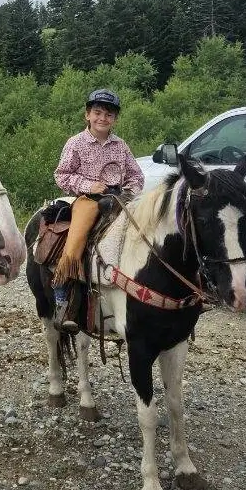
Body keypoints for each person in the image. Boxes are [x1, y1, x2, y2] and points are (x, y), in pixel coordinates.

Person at [52, 89, 144, 333]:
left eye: (109, 114)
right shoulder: (76, 143)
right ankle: (64, 300)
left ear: (115, 119)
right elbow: (62, 175)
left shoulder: (120, 145)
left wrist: (130, 190)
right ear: (88, 115)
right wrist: (89, 185)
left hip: (119, 199)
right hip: (88, 199)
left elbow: (136, 175)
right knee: (75, 240)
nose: (103, 118)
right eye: (98, 113)